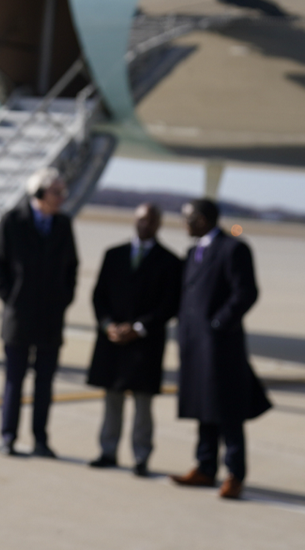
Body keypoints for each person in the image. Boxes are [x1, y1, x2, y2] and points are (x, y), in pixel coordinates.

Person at [171, 198, 271, 500]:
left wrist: (218, 324)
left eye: (187, 217)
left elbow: (247, 292)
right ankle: (204, 467)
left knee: (228, 412)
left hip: (220, 345)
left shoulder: (233, 249)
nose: (183, 223)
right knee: (204, 408)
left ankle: (235, 474)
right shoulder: (193, 252)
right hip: (194, 343)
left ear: (201, 219)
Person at [0, 167, 78, 458]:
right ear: (39, 193)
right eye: (57, 192)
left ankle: (40, 438)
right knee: (14, 379)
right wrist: (11, 298)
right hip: (19, 316)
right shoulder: (13, 221)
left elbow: (72, 267)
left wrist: (64, 298)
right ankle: (8, 436)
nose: (62, 197)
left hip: (51, 317)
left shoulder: (63, 224)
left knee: (45, 382)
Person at [86, 203, 182, 477]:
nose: (145, 225)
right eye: (141, 219)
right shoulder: (113, 254)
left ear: (159, 224)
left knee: (143, 405)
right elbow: (98, 295)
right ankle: (108, 450)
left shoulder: (170, 261)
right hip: (113, 340)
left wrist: (139, 327)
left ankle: (141, 456)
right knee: (112, 400)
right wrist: (108, 326)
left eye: (151, 220)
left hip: (145, 342)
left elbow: (170, 304)